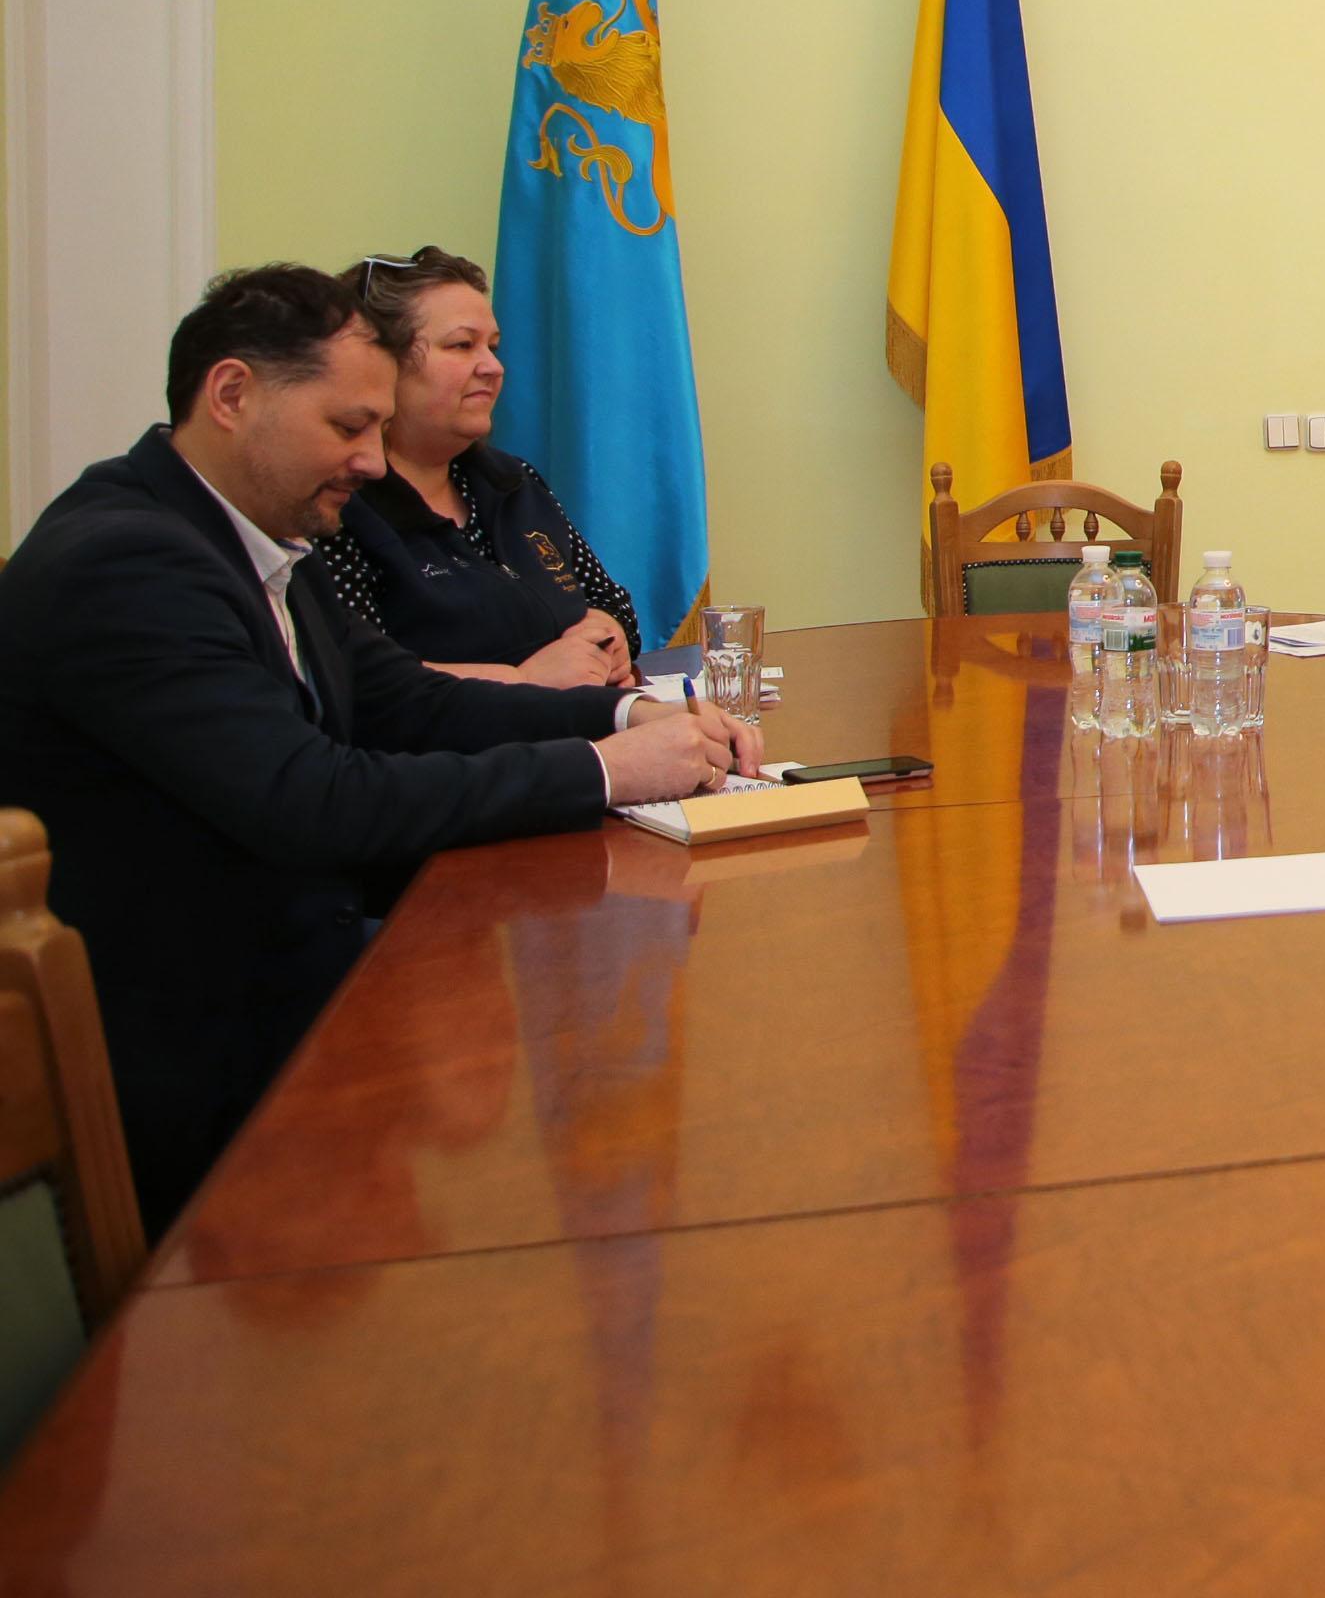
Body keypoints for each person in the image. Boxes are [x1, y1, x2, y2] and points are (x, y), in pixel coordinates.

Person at [0, 266, 758, 1231]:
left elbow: (406, 702)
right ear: (232, 395)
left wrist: (619, 720)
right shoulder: (127, 560)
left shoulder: (260, 533)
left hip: (300, 982)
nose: (370, 462)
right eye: (348, 427)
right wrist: (604, 773)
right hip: (200, 1064)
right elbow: (311, 801)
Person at [299, 246, 641, 683]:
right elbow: (353, 676)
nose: (494, 367)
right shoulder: (338, 503)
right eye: (462, 345)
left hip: (584, 720)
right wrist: (521, 680)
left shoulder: (512, 481)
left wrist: (608, 636)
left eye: (493, 347)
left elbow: (611, 602)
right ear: (381, 364)